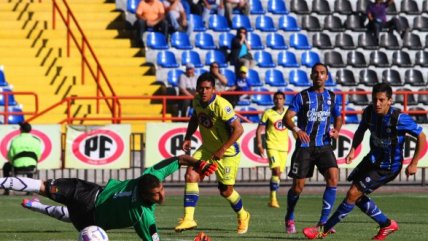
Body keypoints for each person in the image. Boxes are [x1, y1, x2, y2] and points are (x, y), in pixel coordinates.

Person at [303, 83, 426, 240]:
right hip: (371, 160)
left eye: (382, 100)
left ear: (390, 100)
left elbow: (422, 137)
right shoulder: (369, 113)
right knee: (357, 197)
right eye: (375, 100)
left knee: (353, 193)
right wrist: (353, 149)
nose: (377, 104)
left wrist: (414, 163)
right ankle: (386, 224)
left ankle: (323, 230)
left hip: (388, 166)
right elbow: (361, 130)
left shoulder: (399, 118)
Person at [0, 155, 218, 241]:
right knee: (44, 188)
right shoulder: (142, 214)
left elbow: (180, 159)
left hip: (88, 199)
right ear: (144, 195)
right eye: (157, 193)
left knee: (48, 190)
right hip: (89, 215)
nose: (162, 193)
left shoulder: (149, 177)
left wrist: (198, 164)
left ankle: (38, 206)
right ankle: (37, 205)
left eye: (161, 189)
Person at [174, 72, 251, 234]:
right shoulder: (196, 101)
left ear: (213, 89)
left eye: (207, 88)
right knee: (190, 175)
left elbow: (239, 129)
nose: (203, 91)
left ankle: (243, 214)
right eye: (201, 88)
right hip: (207, 149)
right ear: (196, 89)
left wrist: (222, 149)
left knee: (225, 191)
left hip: (228, 153)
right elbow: (195, 118)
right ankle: (189, 218)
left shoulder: (222, 106)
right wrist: (188, 137)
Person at [282, 63, 343, 234]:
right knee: (298, 188)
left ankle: (324, 221)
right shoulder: (302, 97)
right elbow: (287, 118)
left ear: (327, 76)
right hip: (305, 148)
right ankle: (290, 215)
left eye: (322, 73)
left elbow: (338, 117)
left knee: (333, 178)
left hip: (324, 145)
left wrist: (336, 130)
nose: (319, 76)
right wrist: (297, 129)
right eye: (316, 73)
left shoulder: (331, 96)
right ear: (311, 76)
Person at [256, 91, 289, 208]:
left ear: (284, 100)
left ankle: (272, 199)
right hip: (272, 146)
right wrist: (260, 144)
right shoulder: (268, 113)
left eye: (281, 98)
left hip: (284, 147)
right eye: (276, 99)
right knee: (276, 170)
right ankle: (273, 199)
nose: (278, 101)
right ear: (273, 100)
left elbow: (294, 129)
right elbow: (259, 130)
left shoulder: (288, 113)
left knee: (279, 173)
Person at [2, 122, 41, 196]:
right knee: (31, 166)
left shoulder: (15, 140)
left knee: (6, 166)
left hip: (17, 167)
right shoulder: (36, 141)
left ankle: (6, 190)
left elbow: (10, 156)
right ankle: (30, 189)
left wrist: (14, 162)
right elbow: (38, 156)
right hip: (31, 166)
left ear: (21, 129)